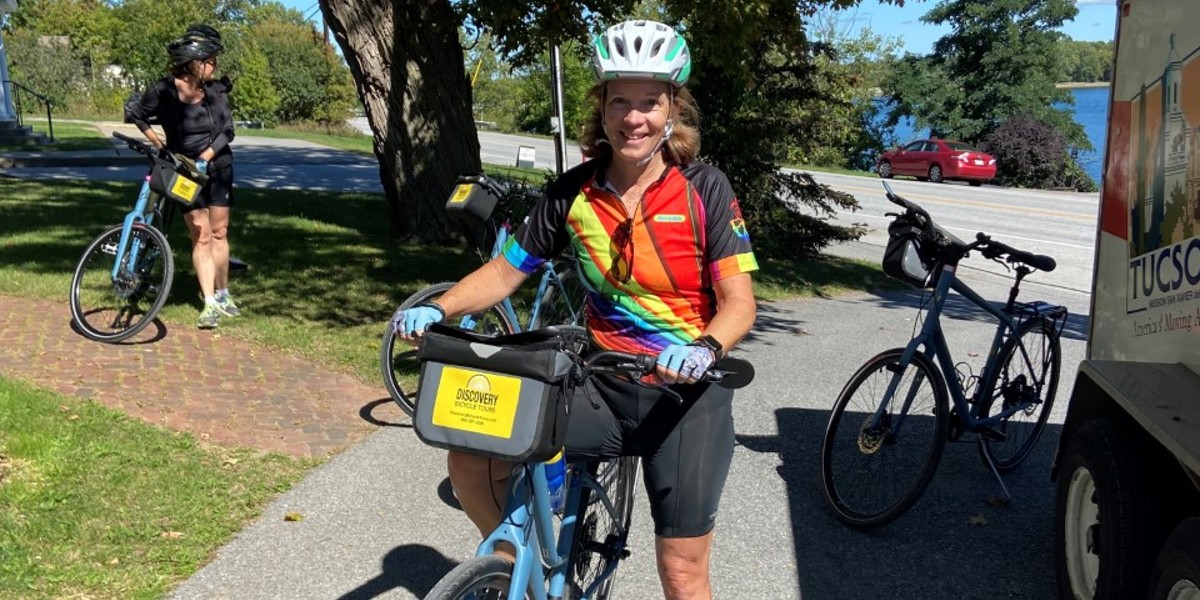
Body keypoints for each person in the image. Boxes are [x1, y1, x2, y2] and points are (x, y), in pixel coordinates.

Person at [396, 20, 757, 600]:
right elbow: (507, 271)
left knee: (683, 571)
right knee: (472, 452)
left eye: (649, 102)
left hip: (684, 394)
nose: (633, 117)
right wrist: (440, 307)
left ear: (671, 111)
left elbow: (740, 303)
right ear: (603, 107)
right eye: (621, 100)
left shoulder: (704, 188)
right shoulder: (573, 192)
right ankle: (512, 567)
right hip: (600, 379)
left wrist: (704, 348)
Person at [126, 24, 239, 329]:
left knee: (219, 231)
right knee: (200, 232)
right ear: (193, 61)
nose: (215, 65)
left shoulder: (215, 91)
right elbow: (134, 112)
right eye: (210, 60)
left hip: (218, 167)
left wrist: (205, 158)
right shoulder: (163, 90)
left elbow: (228, 131)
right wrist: (159, 144)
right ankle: (209, 303)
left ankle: (224, 292)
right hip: (185, 173)